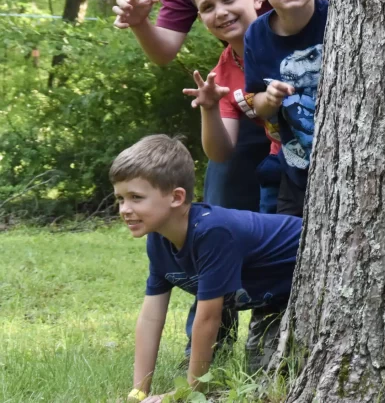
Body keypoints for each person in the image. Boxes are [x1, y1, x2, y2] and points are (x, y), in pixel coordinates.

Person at [112, 0, 333, 211]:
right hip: (249, 82)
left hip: (315, 76)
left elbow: (340, 7)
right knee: (225, 194)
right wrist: (142, 25)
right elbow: (165, 50)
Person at [110, 135, 301, 403]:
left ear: (176, 197)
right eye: (120, 198)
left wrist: (189, 390)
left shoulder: (213, 232)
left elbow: (209, 318)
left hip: (300, 286)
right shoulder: (158, 239)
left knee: (271, 382)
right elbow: (152, 316)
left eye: (136, 198)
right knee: (258, 377)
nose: (125, 209)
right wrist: (139, 391)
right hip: (268, 299)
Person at [182, 0, 285, 214]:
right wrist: (209, 108)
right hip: (283, 164)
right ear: (201, 18)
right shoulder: (222, 75)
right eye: (208, 7)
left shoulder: (292, 32)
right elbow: (221, 152)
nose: (220, 12)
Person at [243, 0, 328, 218]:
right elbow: (257, 103)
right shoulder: (256, 36)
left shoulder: (336, 16)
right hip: (296, 167)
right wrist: (273, 97)